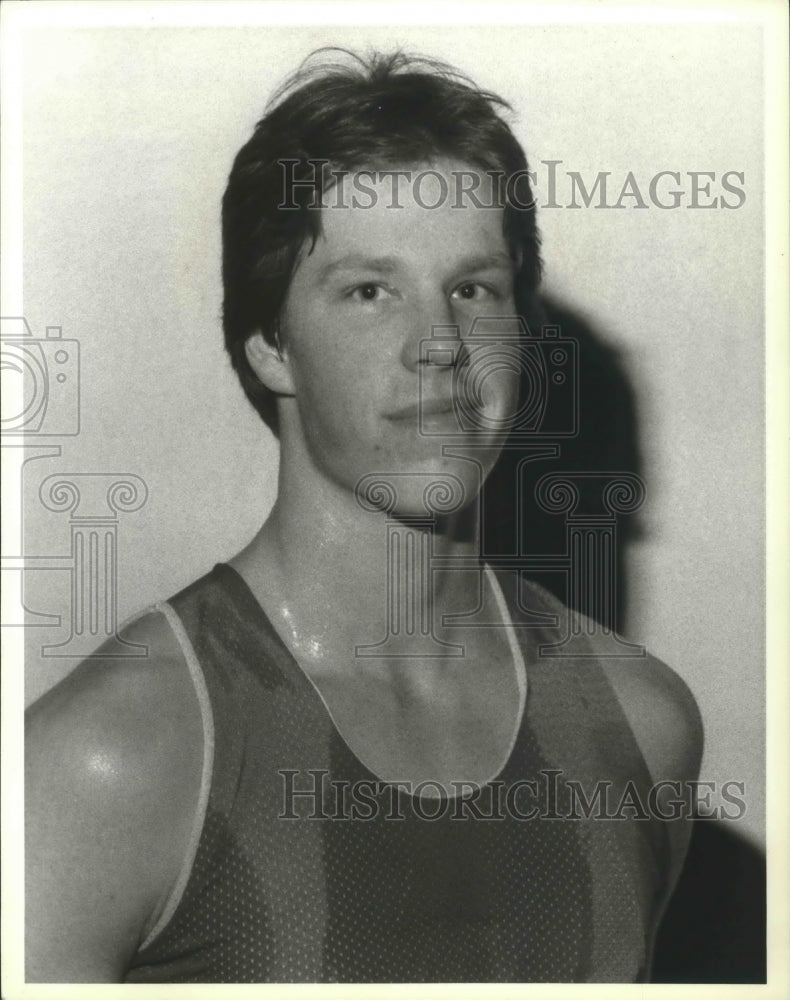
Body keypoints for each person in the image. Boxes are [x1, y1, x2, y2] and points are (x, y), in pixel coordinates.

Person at [25, 49, 703, 984]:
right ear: (270, 344)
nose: (439, 346)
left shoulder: (643, 725)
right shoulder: (105, 762)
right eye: (368, 291)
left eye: (473, 289)